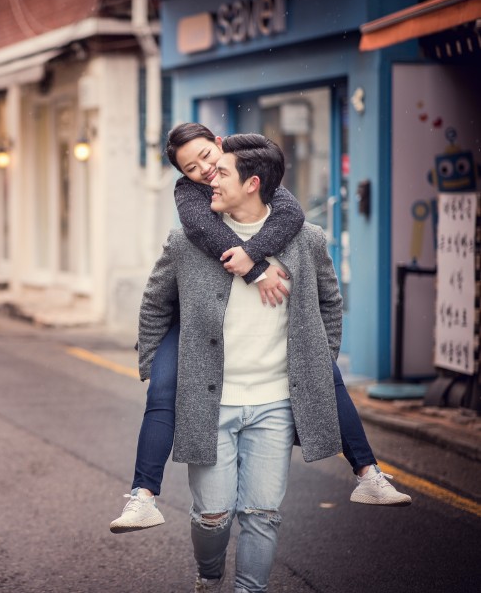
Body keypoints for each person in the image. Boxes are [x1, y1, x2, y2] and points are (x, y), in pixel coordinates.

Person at [110, 124, 410, 536]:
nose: (204, 170)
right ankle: (142, 497)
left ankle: (368, 473)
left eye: (206, 156)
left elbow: (291, 215)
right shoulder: (190, 196)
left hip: (258, 319)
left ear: (219, 143)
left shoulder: (250, 170)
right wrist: (254, 270)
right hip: (192, 325)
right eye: (191, 167)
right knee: (161, 392)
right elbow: (203, 232)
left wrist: (252, 256)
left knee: (325, 373)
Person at [132, 133, 347, 591]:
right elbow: (155, 304)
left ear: (249, 180)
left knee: (263, 515)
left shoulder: (302, 238)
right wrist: (157, 367)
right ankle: (209, 579)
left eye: (212, 162)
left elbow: (329, 302)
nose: (206, 174)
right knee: (213, 517)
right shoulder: (189, 236)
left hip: (274, 402)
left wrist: (319, 362)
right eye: (192, 169)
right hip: (212, 404)